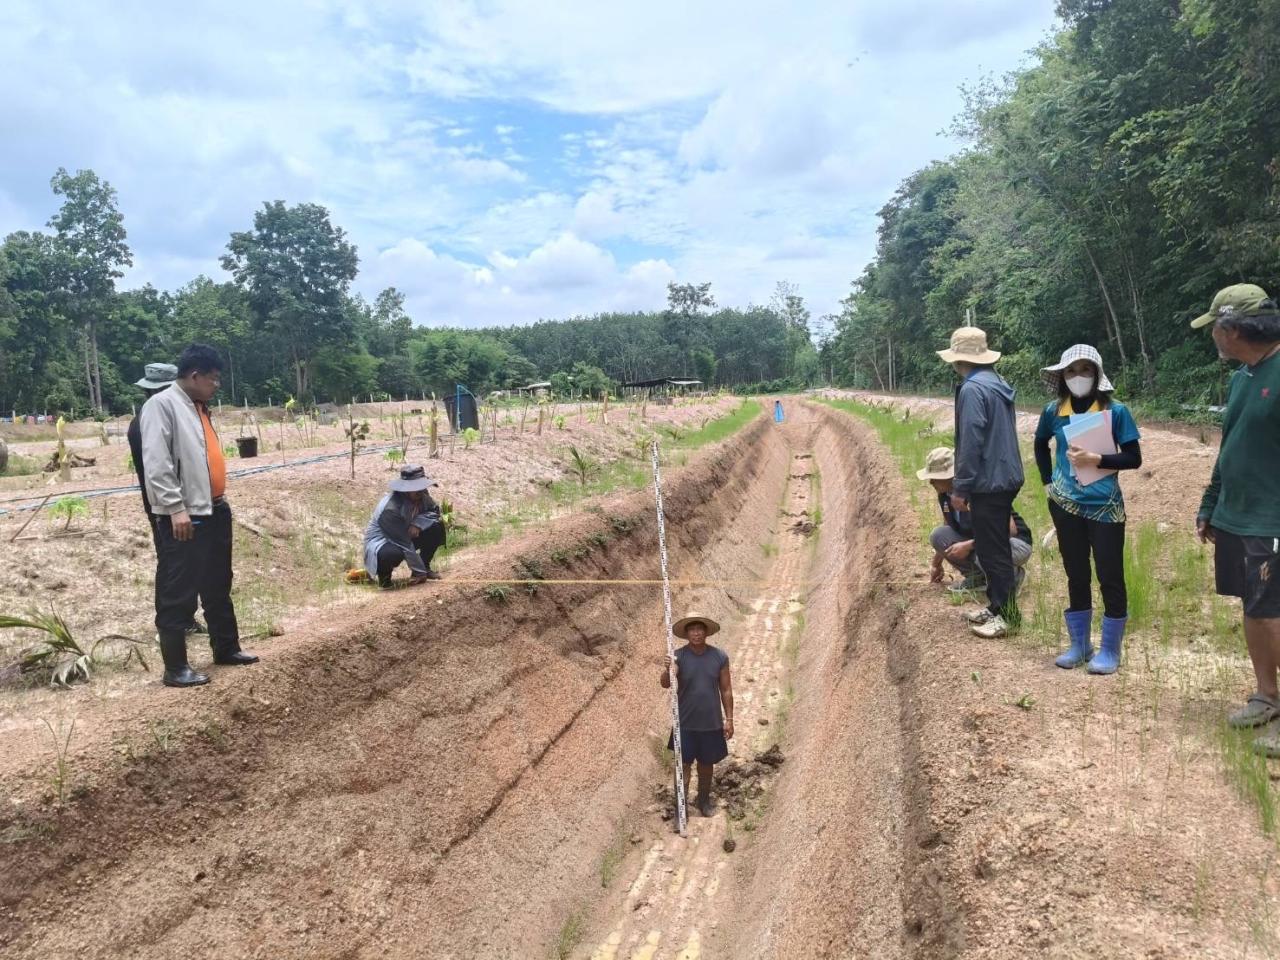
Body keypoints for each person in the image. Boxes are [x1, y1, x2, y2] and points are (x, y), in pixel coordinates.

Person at [1191, 285, 1280, 753]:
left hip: (1272, 519)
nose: (1213, 338)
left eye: (1214, 329)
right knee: (1254, 609)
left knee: (1273, 613)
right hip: (1237, 515)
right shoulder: (1243, 377)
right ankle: (1266, 694)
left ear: (1232, 329)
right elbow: (1230, 446)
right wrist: (1211, 503)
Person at [141, 344, 258, 687]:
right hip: (185, 514)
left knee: (218, 581)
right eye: (213, 379)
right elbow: (157, 464)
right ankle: (175, 668)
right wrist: (175, 508)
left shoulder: (199, 408)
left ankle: (226, 647)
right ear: (195, 376)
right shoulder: (161, 407)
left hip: (214, 508)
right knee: (179, 588)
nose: (216, 385)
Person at [1033, 345, 1142, 674]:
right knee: (1076, 574)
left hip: (1105, 508)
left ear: (1097, 374)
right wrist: (1047, 481)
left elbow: (1133, 458)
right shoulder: (1054, 411)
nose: (1078, 377)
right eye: (1071, 371)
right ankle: (1080, 644)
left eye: (1085, 370)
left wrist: (1099, 461)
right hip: (1065, 505)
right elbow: (1040, 443)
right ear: (1062, 377)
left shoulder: (1116, 411)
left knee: (1110, 576)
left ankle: (1110, 650)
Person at [937, 326, 1025, 639]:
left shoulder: (973, 390)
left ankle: (1008, 616)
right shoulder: (997, 383)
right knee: (989, 547)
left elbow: (972, 440)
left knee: (994, 550)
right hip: (1004, 474)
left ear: (959, 359)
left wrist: (962, 486)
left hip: (990, 480)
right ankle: (996, 605)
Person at [129, 361, 202, 637]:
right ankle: (171, 623)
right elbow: (160, 467)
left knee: (182, 561)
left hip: (168, 502)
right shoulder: (148, 421)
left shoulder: (148, 418)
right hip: (166, 505)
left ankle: (184, 618)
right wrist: (175, 506)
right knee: (172, 562)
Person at [919, 446, 1032, 595]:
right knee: (939, 535)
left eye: (935, 478)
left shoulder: (980, 489)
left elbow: (1008, 530)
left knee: (983, 550)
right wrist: (936, 564)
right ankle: (978, 577)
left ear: (950, 476)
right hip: (983, 541)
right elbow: (948, 525)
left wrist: (970, 545)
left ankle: (1012, 577)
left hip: (1014, 543)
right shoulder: (945, 498)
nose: (931, 482)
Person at [659, 613, 734, 819]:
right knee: (682, 766)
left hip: (711, 723)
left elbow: (726, 690)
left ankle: (703, 802)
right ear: (686, 633)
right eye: (692, 630)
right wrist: (668, 669)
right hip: (685, 722)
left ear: (706, 632)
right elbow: (666, 683)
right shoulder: (678, 657)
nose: (696, 633)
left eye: (700, 629)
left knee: (706, 765)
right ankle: (680, 812)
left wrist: (729, 719)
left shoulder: (719, 657)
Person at [363, 464, 447, 588]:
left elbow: (434, 511)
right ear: (406, 489)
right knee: (391, 553)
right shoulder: (390, 509)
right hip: (383, 541)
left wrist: (418, 523)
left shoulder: (422, 495)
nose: (420, 490)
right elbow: (403, 542)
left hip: (406, 533)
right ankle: (385, 580)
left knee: (436, 527)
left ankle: (424, 566)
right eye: (416, 487)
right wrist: (420, 573)